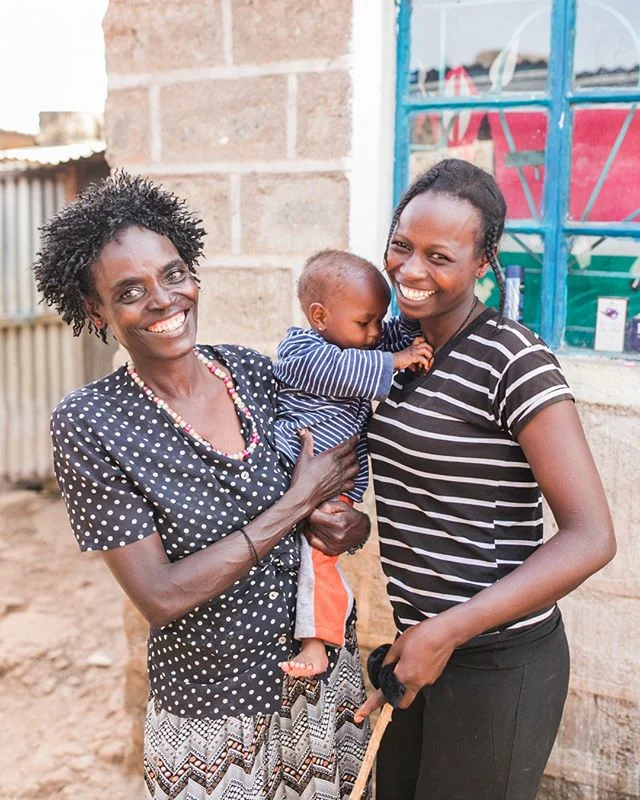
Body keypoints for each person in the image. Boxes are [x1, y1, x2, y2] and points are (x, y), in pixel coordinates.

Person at [34, 171, 372, 800]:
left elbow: (336, 507)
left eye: (173, 274)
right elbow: (159, 595)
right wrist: (297, 503)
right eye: (129, 291)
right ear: (97, 312)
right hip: (212, 717)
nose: (163, 300)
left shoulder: (250, 370)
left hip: (322, 690)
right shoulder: (91, 424)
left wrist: (346, 526)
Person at [354, 159, 616, 800]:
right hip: (417, 647)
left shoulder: (514, 361)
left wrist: (446, 631)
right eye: (400, 247)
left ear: (483, 263)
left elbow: (591, 538)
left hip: (498, 662)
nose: (411, 272)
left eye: (439, 256)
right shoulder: (384, 345)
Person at [273, 250, 433, 678]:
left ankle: (316, 634)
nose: (375, 332)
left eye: (379, 320)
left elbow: (396, 334)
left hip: (333, 485)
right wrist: (396, 360)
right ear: (320, 316)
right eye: (365, 323)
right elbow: (340, 369)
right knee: (314, 561)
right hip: (294, 471)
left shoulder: (360, 340)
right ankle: (316, 642)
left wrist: (419, 313)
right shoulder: (302, 350)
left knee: (319, 555)